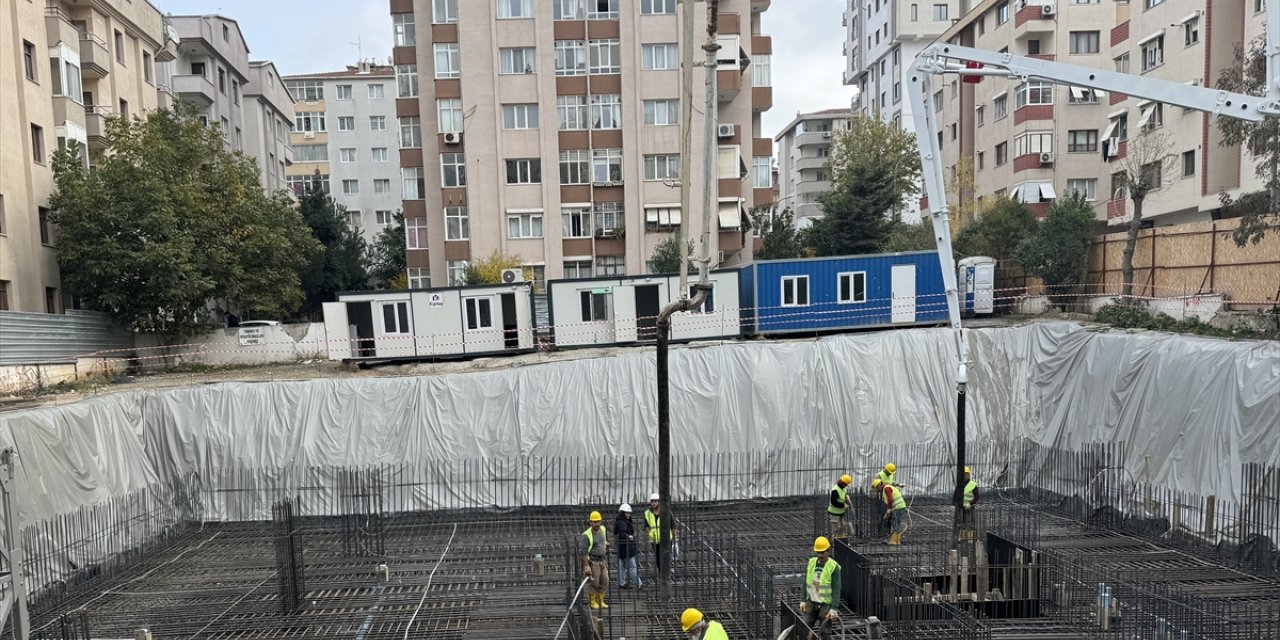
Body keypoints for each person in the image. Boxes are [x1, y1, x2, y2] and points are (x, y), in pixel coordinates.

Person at [799, 536, 842, 639]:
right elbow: (806, 582)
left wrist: (834, 608)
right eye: (817, 552)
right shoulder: (811, 562)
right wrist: (803, 600)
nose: (819, 555)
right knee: (803, 628)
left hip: (825, 605)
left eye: (822, 552)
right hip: (811, 602)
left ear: (828, 551)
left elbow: (837, 588)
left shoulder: (833, 566)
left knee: (825, 632)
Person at [581, 511, 610, 609]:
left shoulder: (603, 529)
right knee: (594, 583)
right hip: (593, 562)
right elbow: (583, 552)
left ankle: (600, 600)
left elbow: (603, 540)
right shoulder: (586, 535)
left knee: (605, 581)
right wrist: (586, 566)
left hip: (602, 561)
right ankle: (592, 601)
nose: (597, 524)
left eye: (598, 521)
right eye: (594, 522)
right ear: (590, 522)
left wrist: (605, 545)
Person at [615, 503, 642, 589]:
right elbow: (621, 534)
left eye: (629, 513)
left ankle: (621, 583)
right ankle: (639, 584)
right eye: (626, 513)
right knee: (632, 567)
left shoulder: (619, 521)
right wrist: (629, 536)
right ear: (622, 513)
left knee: (622, 566)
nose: (628, 514)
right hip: (626, 548)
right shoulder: (622, 523)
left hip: (622, 548)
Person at [874, 478, 907, 545]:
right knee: (895, 523)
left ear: (880, 485)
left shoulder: (886, 488)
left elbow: (890, 499)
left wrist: (889, 509)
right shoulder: (886, 488)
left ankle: (896, 541)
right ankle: (894, 539)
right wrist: (888, 512)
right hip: (898, 507)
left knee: (896, 523)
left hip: (899, 507)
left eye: (877, 488)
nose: (877, 490)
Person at [644, 492, 664, 574]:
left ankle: (667, 574)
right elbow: (646, 526)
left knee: (666, 557)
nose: (653, 503)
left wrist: (675, 539)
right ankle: (661, 574)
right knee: (658, 558)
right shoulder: (647, 513)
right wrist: (649, 535)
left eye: (655, 501)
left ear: (659, 502)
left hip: (665, 539)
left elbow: (672, 524)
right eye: (652, 501)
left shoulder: (665, 511)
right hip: (654, 540)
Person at [828, 474, 852, 541]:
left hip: (841, 512)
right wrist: (843, 505)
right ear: (843, 483)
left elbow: (843, 494)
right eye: (846, 484)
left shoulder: (843, 488)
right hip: (834, 513)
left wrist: (846, 497)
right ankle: (835, 544)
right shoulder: (835, 490)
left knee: (843, 527)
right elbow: (833, 502)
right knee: (836, 529)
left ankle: (843, 543)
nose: (846, 486)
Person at [960, 466, 979, 540]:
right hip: (961, 507)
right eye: (964, 474)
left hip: (970, 506)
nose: (965, 475)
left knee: (970, 521)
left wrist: (970, 504)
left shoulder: (973, 484)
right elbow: (956, 494)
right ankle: (962, 537)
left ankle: (970, 538)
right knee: (961, 521)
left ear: (969, 474)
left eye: (966, 474)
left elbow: (977, 496)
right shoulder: (959, 483)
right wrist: (955, 503)